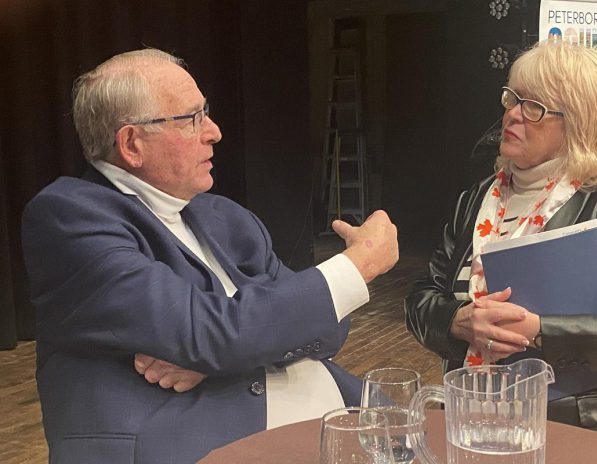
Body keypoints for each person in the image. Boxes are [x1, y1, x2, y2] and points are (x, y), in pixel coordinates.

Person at [22, 49, 398, 464]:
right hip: (198, 443)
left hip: (338, 415)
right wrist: (358, 264)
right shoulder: (70, 217)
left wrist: (228, 357)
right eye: (192, 118)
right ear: (132, 144)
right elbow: (207, 332)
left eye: (207, 113)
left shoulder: (226, 217)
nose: (215, 132)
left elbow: (328, 327)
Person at [405, 40, 597, 454]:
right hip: (475, 423)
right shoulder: (475, 200)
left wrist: (538, 332)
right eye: (513, 98)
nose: (512, 114)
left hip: (581, 432)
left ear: (580, 124)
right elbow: (421, 300)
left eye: (534, 107)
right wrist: (457, 321)